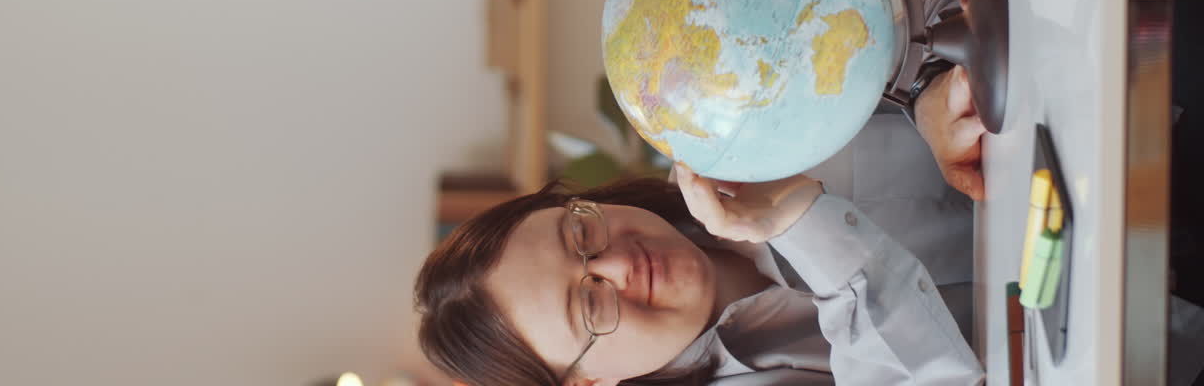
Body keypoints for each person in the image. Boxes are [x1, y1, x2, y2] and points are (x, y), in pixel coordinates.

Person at [415, 168, 985, 386]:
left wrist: (928, 93)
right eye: (590, 305)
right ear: (587, 383)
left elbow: (936, 25)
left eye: (581, 236)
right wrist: (805, 225)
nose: (618, 265)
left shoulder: (729, 138)